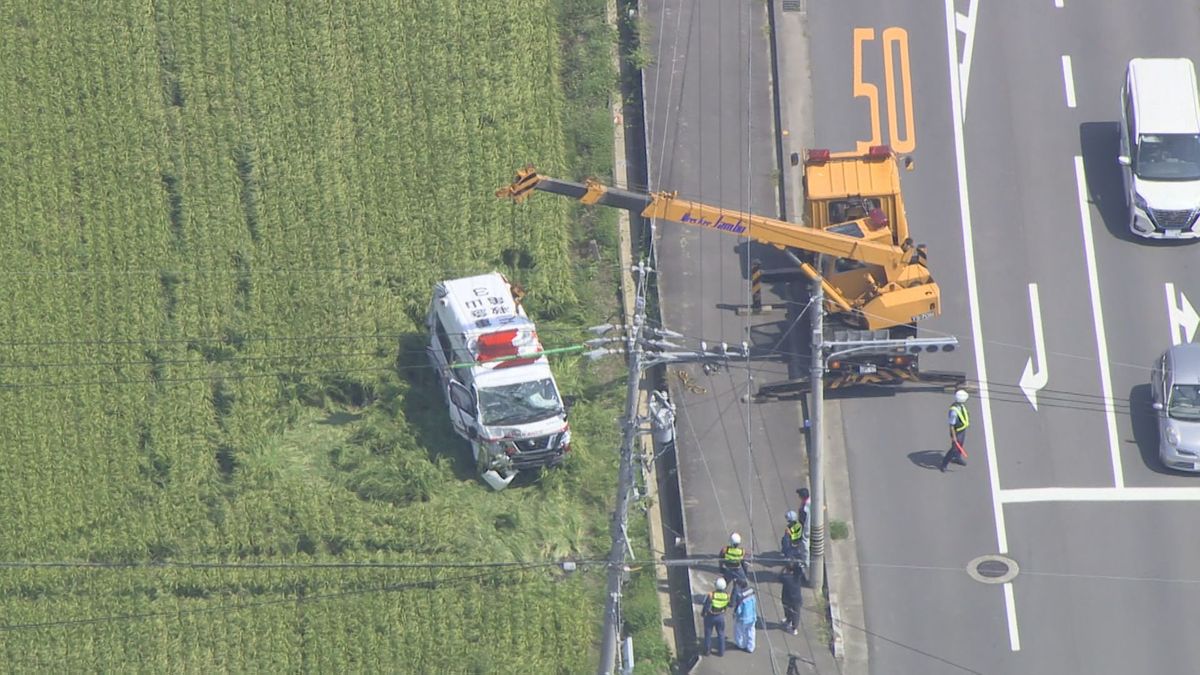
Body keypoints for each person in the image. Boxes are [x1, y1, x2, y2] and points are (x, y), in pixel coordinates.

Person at [940, 390, 971, 472]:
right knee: (954, 448)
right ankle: (944, 464)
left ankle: (957, 457)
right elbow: (951, 425)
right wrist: (954, 437)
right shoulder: (954, 411)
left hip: (962, 430)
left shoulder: (960, 405)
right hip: (956, 432)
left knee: (960, 445)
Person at [702, 577, 731, 656]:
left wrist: (703, 614)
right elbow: (726, 606)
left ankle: (707, 651)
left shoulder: (711, 595)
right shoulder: (727, 596)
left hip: (710, 616)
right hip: (720, 616)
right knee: (721, 634)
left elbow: (706, 606)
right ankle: (721, 652)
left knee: (708, 634)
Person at [732, 578, 758, 652]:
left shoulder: (740, 596)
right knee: (751, 631)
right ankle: (751, 647)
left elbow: (739, 610)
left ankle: (741, 645)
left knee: (739, 631)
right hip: (752, 616)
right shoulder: (751, 591)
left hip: (743, 618)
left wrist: (735, 614)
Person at [780, 562, 804, 635]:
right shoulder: (798, 577)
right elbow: (800, 571)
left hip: (787, 599)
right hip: (797, 599)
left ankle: (791, 625)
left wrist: (783, 568)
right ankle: (793, 626)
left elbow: (779, 576)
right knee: (796, 613)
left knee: (788, 610)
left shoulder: (786, 578)